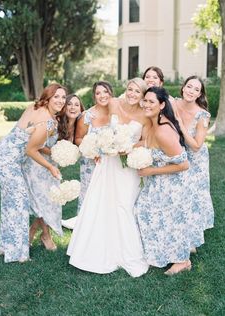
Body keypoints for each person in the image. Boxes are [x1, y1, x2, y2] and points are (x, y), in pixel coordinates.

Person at [67, 78, 151, 277]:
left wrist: (126, 147)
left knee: (124, 205)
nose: (132, 93)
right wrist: (104, 145)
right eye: (130, 89)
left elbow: (146, 140)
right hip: (107, 164)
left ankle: (126, 251)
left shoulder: (145, 114)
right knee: (101, 203)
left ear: (142, 95)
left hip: (127, 165)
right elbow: (99, 124)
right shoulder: (114, 103)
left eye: (137, 92)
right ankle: (95, 249)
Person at [0, 83, 65, 263]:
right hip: (7, 160)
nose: (60, 101)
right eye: (56, 96)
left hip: (4, 154)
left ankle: (7, 247)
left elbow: (35, 144)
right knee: (19, 202)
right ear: (48, 98)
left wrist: (56, 152)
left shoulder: (37, 107)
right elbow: (31, 150)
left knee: (12, 203)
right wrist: (51, 167)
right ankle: (17, 253)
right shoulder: (47, 122)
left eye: (63, 97)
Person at [134, 86, 192, 275]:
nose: (147, 104)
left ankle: (183, 260)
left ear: (161, 105)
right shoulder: (152, 124)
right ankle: (159, 253)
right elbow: (148, 144)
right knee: (145, 212)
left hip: (172, 183)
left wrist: (151, 170)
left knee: (172, 220)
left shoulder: (163, 131)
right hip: (159, 181)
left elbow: (184, 164)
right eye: (145, 100)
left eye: (152, 101)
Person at [26, 93, 84, 249]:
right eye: (69, 104)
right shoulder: (55, 122)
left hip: (52, 167)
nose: (72, 107)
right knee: (46, 199)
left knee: (50, 199)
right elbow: (37, 145)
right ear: (64, 107)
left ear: (81, 108)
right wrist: (54, 152)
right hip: (38, 162)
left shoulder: (80, 127)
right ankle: (44, 235)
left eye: (76, 105)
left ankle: (35, 232)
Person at [62, 82, 112, 229]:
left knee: (109, 195)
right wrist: (93, 151)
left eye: (105, 92)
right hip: (91, 164)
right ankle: (86, 229)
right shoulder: (87, 116)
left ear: (111, 94)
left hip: (112, 163)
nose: (102, 95)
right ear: (94, 96)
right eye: (98, 93)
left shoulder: (115, 114)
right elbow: (78, 139)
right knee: (90, 196)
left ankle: (106, 227)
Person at [175, 75, 214, 252]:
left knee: (192, 197)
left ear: (199, 94)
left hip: (195, 160)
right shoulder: (173, 104)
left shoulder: (202, 115)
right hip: (176, 154)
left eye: (196, 89)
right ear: (183, 88)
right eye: (189, 87)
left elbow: (197, 146)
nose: (191, 91)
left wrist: (181, 126)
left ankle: (191, 240)